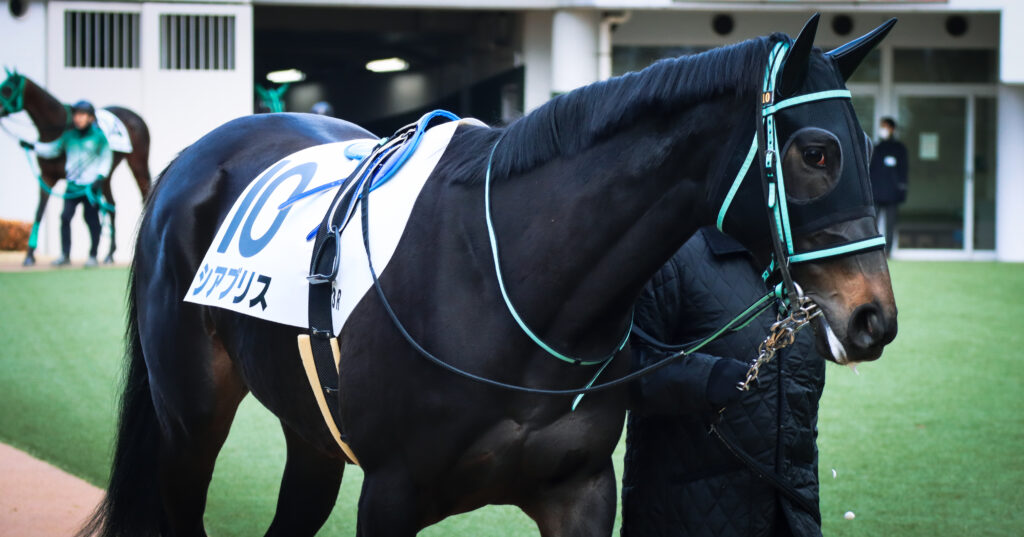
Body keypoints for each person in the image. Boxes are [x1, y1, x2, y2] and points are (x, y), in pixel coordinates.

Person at [622, 227, 825, 537]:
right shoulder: (671, 251)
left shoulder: (806, 260)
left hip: (794, 517)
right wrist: (704, 377)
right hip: (685, 517)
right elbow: (619, 371)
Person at [33, 100, 112, 267]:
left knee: (91, 220)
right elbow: (53, 149)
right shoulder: (69, 136)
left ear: (90, 118)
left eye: (82, 115)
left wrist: (100, 177)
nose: (78, 118)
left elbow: (106, 157)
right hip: (72, 186)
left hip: (89, 187)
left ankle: (93, 255)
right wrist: (33, 146)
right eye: (76, 114)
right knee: (65, 217)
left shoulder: (99, 137)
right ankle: (65, 254)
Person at [869, 117, 908, 256]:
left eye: (885, 126)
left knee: (890, 224)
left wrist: (901, 190)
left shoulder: (899, 149)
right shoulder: (876, 147)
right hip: (876, 193)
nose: (883, 130)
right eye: (881, 127)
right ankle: (872, 251)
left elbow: (903, 171)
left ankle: (889, 251)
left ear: (892, 129)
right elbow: (871, 171)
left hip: (893, 193)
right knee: (872, 224)